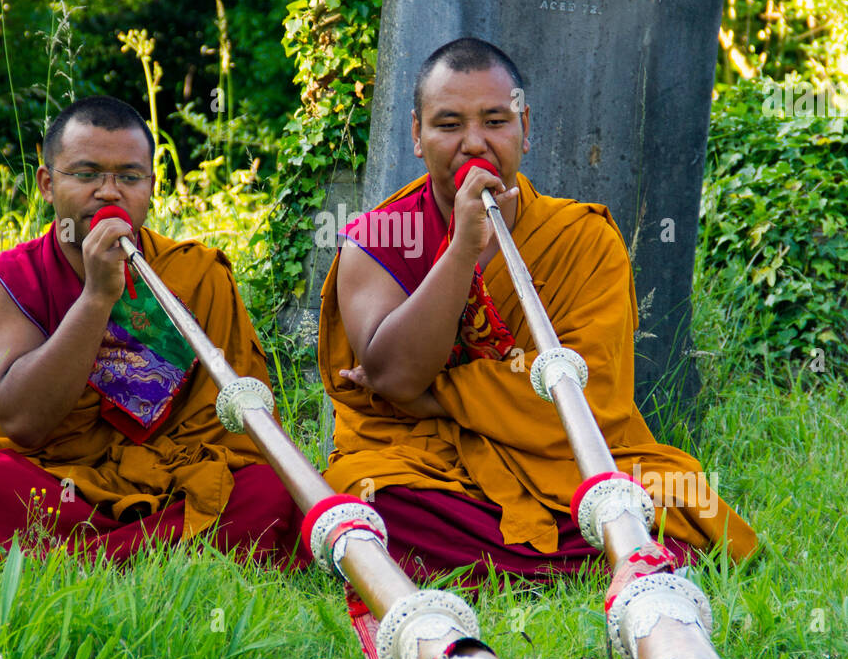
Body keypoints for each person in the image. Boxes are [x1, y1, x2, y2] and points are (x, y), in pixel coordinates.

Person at [317, 38, 756, 586]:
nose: (473, 144)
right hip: (427, 464)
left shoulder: (583, 238)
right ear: (415, 134)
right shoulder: (382, 238)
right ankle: (582, 558)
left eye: (495, 121)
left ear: (527, 126)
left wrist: (435, 398)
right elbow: (391, 376)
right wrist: (461, 250)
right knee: (372, 498)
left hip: (556, 455)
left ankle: (498, 559)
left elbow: (587, 394)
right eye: (448, 124)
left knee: (671, 501)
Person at [0, 95, 309, 568]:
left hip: (170, 483)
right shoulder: (4, 282)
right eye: (86, 175)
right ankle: (161, 556)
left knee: (269, 488)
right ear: (47, 184)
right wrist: (96, 298)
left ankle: (83, 559)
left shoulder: (194, 273)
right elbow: (24, 422)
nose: (109, 192)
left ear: (151, 186)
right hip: (52, 484)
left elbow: (232, 431)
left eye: (128, 177)